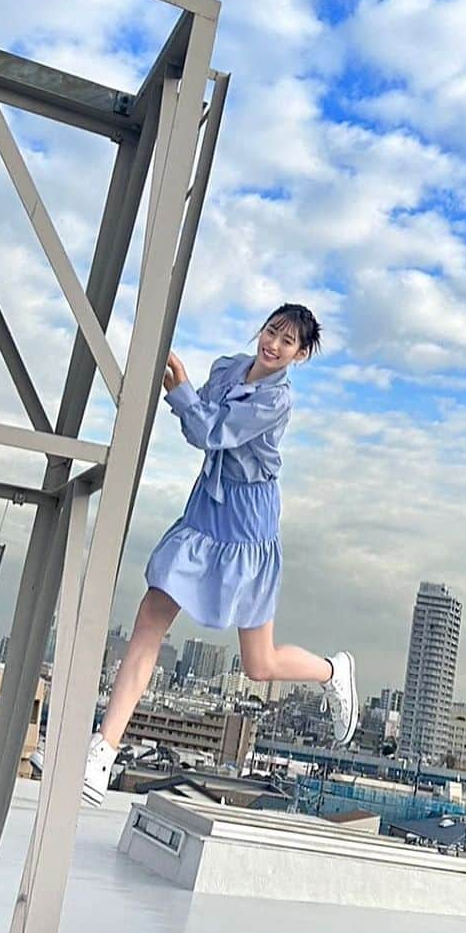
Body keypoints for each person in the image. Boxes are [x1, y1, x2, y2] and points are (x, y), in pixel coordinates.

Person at [81, 302, 358, 805]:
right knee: (150, 619)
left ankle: (332, 671)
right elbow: (202, 422)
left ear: (300, 355)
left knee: (259, 664)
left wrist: (180, 389)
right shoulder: (229, 366)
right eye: (272, 331)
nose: (273, 344)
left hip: (248, 523)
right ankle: (103, 751)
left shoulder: (277, 400)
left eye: (287, 342)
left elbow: (209, 429)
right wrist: (181, 391)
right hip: (206, 508)